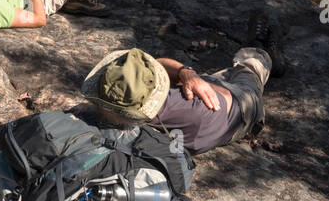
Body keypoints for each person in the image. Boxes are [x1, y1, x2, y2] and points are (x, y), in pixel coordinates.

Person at [79, 12, 286, 154]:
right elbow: (160, 65)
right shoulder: (190, 110)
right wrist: (185, 74)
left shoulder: (127, 110)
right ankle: (265, 51)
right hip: (240, 104)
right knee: (250, 66)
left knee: (231, 69)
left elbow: (157, 65)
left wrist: (186, 73)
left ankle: (256, 49)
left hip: (206, 88)